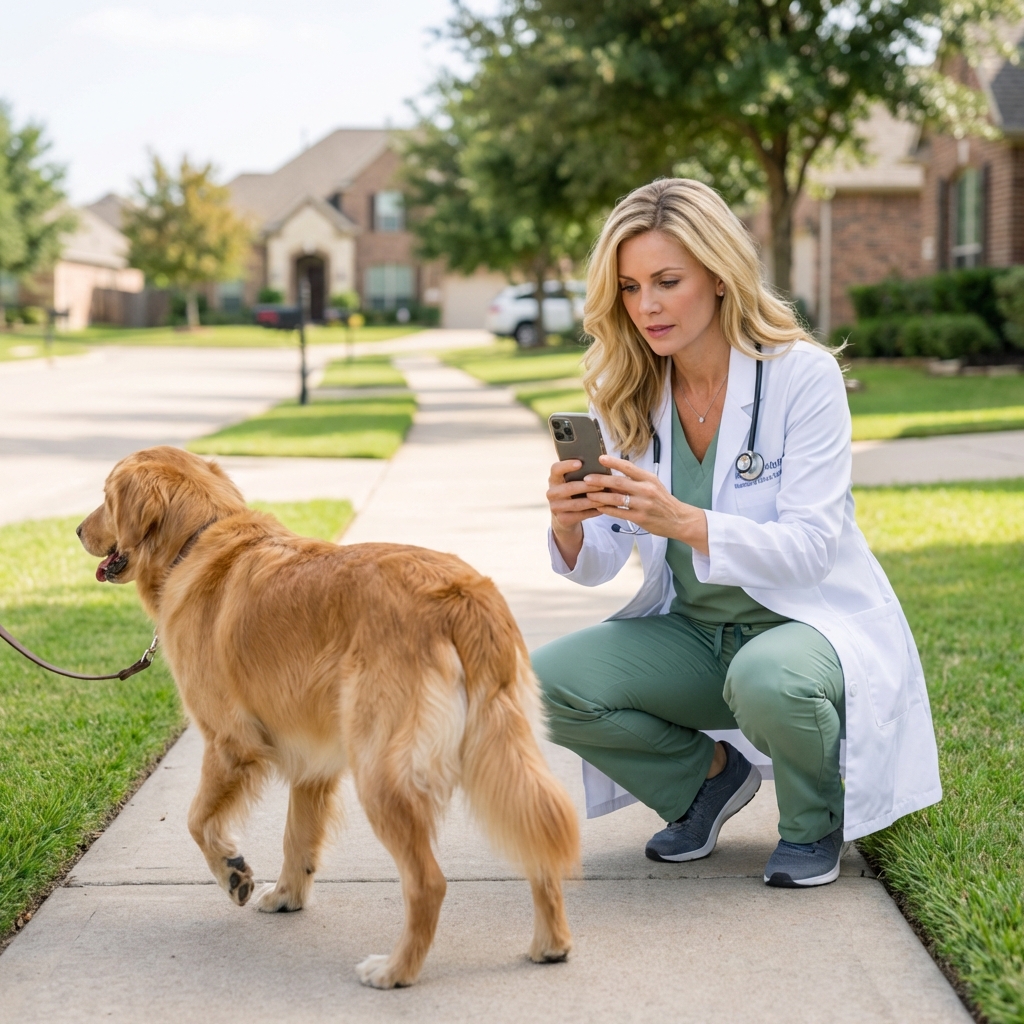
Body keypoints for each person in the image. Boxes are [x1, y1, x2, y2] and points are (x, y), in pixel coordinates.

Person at [532, 178, 941, 888]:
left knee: (767, 680)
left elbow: (812, 547)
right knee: (541, 685)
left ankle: (815, 822)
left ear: (719, 277)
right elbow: (600, 561)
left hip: (803, 630)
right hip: (695, 635)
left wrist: (683, 521)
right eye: (629, 287)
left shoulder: (802, 377)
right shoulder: (632, 387)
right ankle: (706, 783)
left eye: (667, 281)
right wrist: (569, 524)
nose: (647, 305)